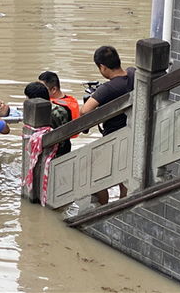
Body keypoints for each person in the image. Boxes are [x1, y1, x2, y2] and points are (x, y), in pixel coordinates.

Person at [80, 45, 136, 204]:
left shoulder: (107, 88)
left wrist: (97, 96)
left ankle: (102, 208)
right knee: (124, 175)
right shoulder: (134, 73)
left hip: (113, 138)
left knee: (95, 176)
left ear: (103, 67)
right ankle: (123, 207)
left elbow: (85, 111)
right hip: (132, 133)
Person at [24, 82, 71, 157]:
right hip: (65, 150)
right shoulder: (62, 108)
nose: (26, 100)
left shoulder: (42, 116)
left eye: (27, 97)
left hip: (52, 154)